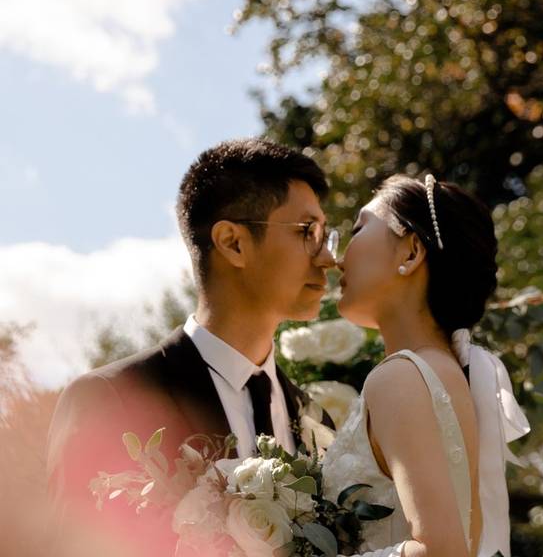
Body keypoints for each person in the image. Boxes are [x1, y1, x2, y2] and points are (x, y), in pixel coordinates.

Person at [45, 138, 338, 556]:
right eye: (307, 232)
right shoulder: (111, 400)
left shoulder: (315, 421)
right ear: (233, 243)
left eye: (327, 235)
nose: (326, 258)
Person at [323, 174, 531, 557]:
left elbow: (439, 551)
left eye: (358, 228)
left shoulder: (401, 376)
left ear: (411, 252)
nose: (337, 258)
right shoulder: (444, 371)